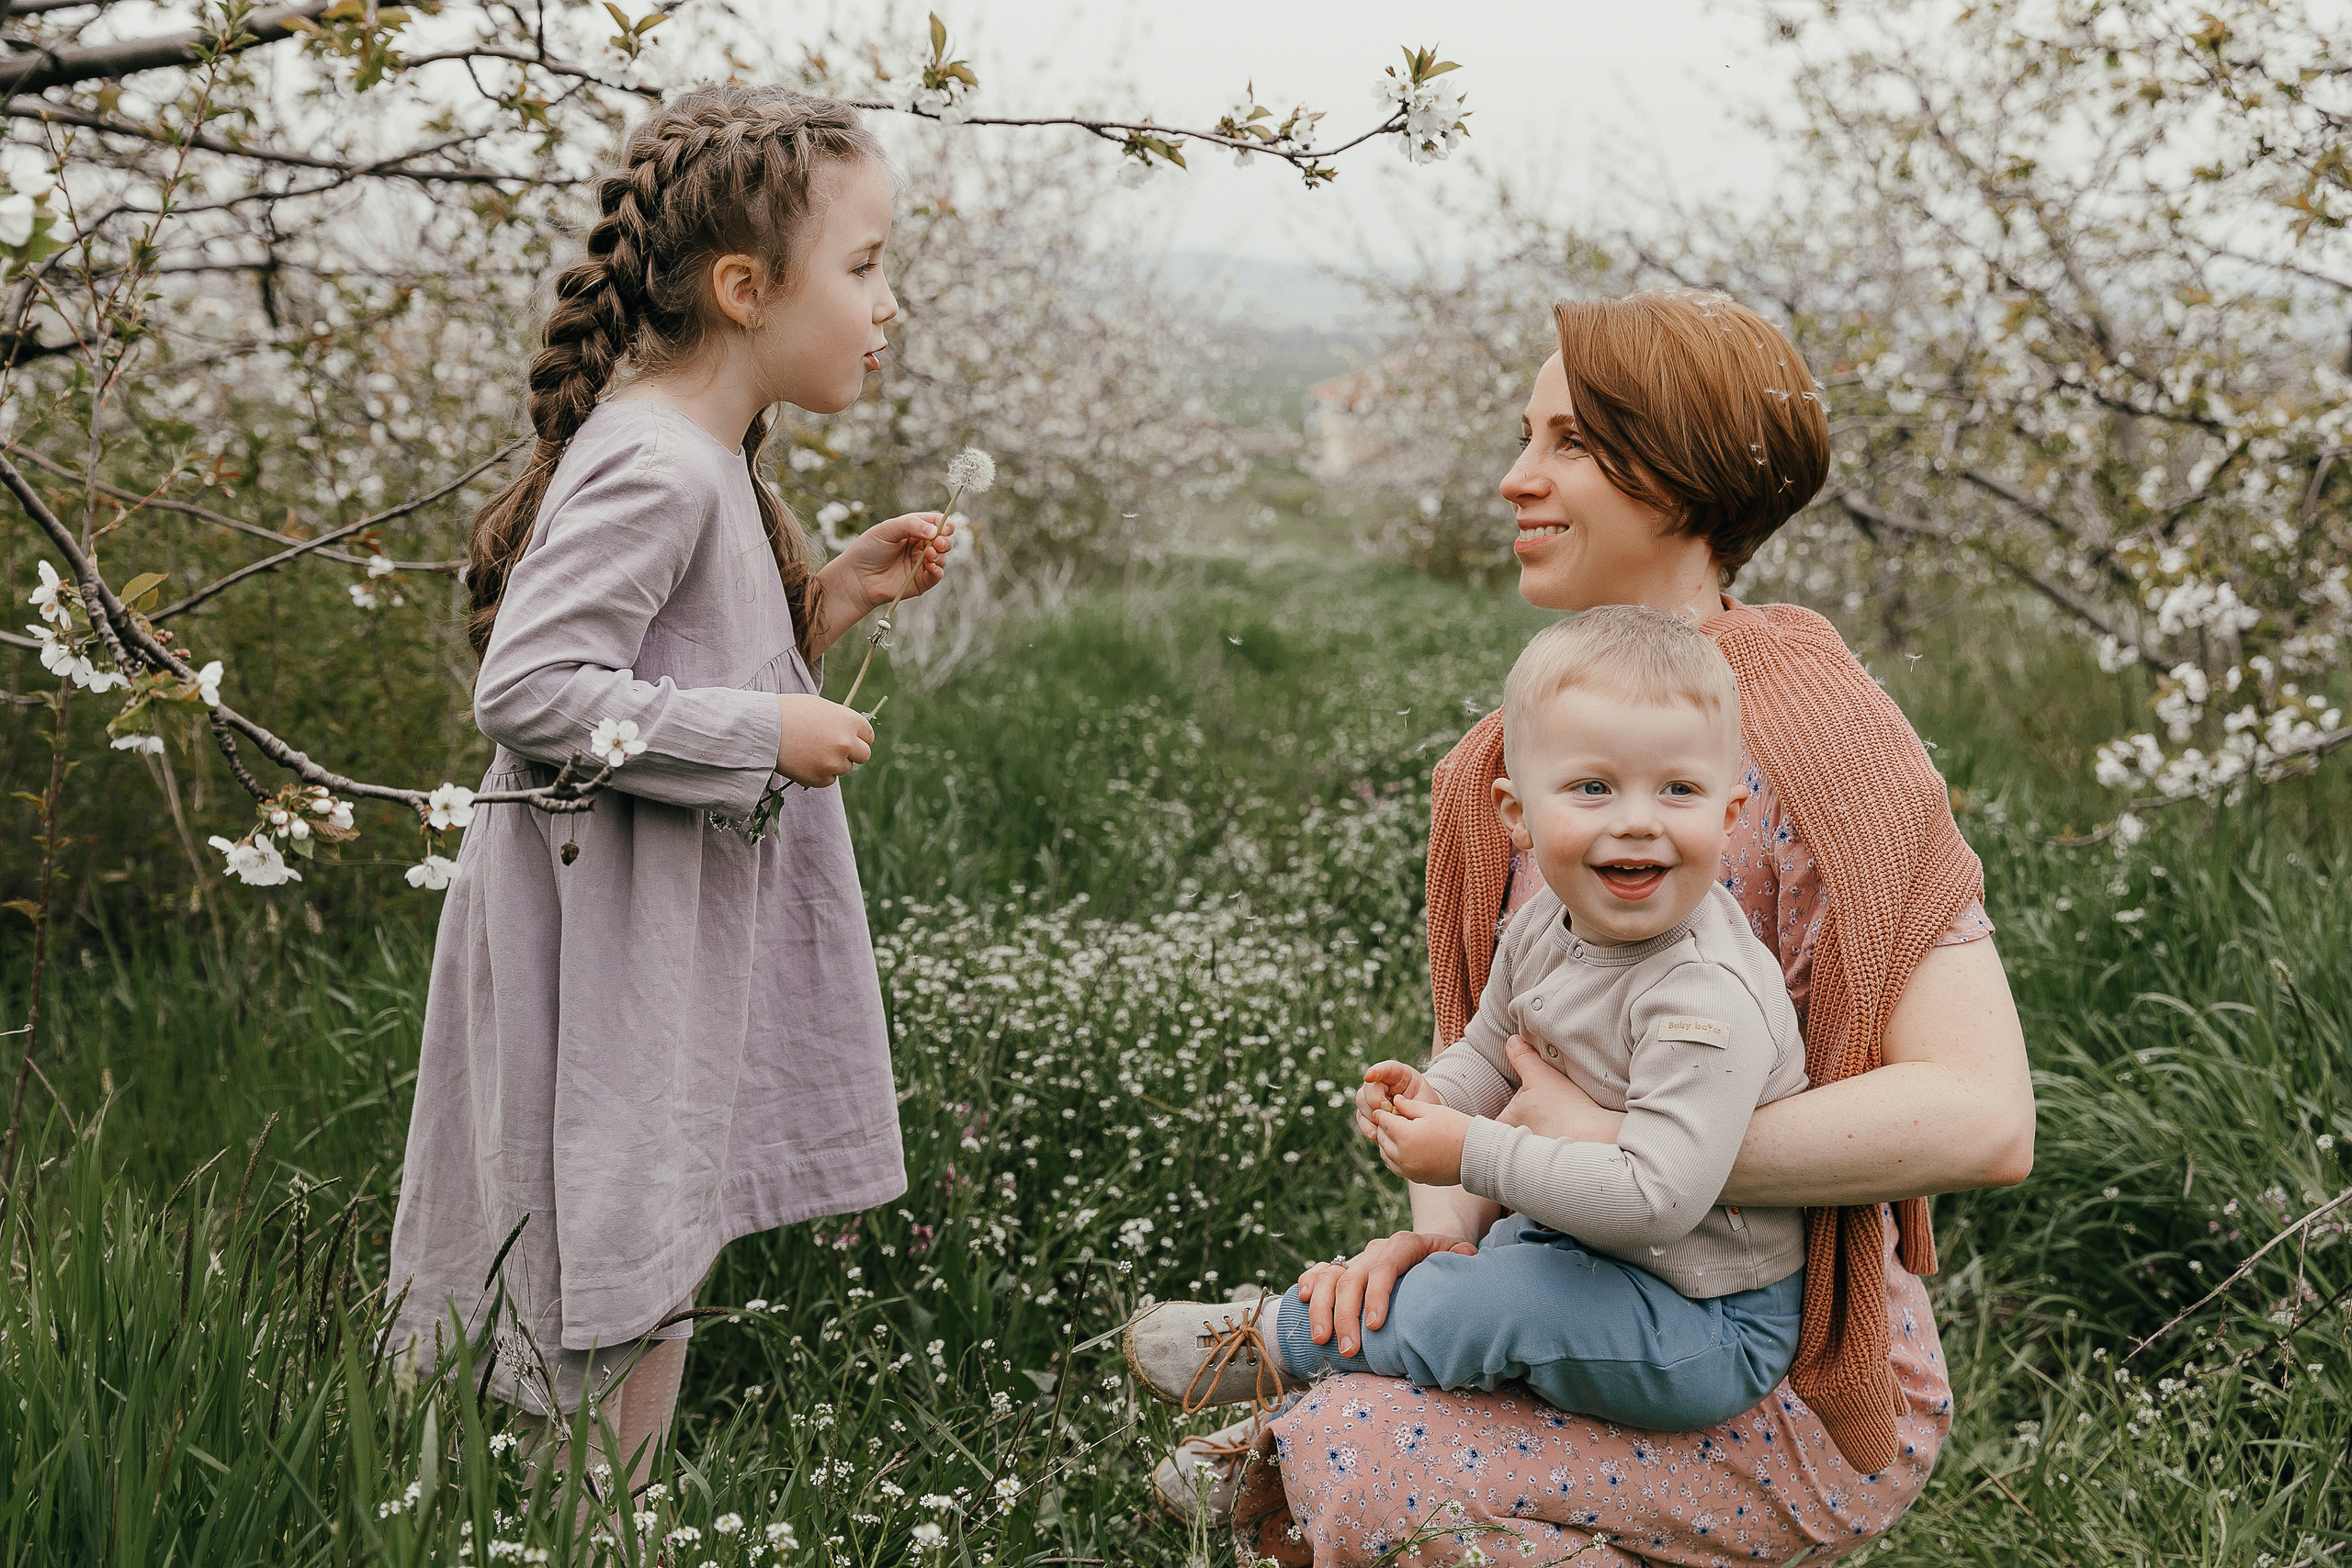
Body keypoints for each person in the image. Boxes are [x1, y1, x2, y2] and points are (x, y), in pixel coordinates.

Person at [1156, 290, 2037, 1566]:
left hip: (1765, 1356)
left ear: (1683, 469)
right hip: (1574, 1281)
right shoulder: (1497, 771)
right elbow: (1501, 1052)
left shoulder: (1826, 746)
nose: (1517, 477)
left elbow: (1983, 1117)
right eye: (1526, 436)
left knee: (1349, 1466)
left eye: (1567, 440)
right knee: (1339, 1446)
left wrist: (1627, 1151)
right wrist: (1435, 1239)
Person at [383, 85, 954, 1502]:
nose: (890, 306)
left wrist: (820, 606)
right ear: (746, 286)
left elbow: (663, 662)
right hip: (611, 936)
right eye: (867, 266)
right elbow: (529, 690)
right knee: (620, 1229)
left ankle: (595, 1502)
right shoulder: (655, 460)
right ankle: (589, 1511)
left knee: (658, 1212)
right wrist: (764, 728)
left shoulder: (700, 457)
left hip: (655, 921)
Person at [1125, 606, 1813, 1434]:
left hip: (1705, 1320)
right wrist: (1435, 1097)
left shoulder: (1704, 993)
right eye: (1593, 787)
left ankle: (1291, 1347)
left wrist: (1472, 1151)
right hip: (1584, 1251)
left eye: (1679, 789)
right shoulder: (1541, 925)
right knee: (1471, 1285)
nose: (1638, 818)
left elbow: (1656, 1195)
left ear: (1729, 816)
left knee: (1495, 1301)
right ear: (1517, 813)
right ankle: (1318, 1417)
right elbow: (1494, 1047)